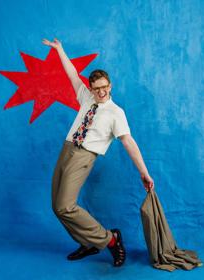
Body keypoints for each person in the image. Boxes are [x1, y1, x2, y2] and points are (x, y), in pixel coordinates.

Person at [42, 37, 155, 267]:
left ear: (110, 86)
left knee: (66, 206)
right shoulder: (86, 97)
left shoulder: (116, 113)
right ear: (91, 89)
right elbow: (72, 75)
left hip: (84, 156)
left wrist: (144, 172)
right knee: (57, 207)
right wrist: (60, 50)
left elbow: (129, 142)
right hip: (67, 149)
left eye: (104, 87)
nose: (101, 92)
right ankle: (88, 242)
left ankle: (110, 240)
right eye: (96, 88)